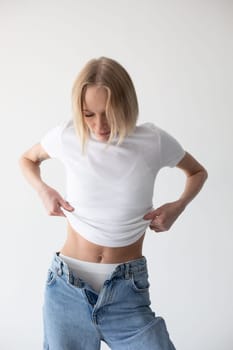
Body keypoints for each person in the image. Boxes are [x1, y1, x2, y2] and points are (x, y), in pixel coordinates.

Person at [19, 56, 208, 350]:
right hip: (66, 288)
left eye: (108, 112)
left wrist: (178, 205)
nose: (99, 125)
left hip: (127, 291)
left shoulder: (153, 141)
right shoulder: (67, 137)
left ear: (126, 104)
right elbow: (27, 159)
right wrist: (43, 190)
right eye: (88, 114)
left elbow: (197, 172)